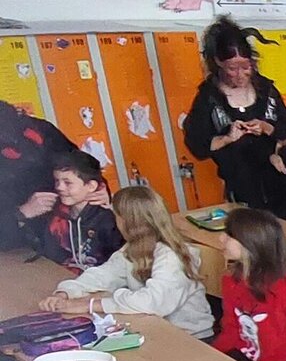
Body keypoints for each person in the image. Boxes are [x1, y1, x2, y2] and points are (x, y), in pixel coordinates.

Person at [39, 186, 213, 337]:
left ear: (127, 222)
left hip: (191, 338)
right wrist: (65, 293)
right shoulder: (131, 250)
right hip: (156, 331)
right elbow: (101, 276)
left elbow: (153, 302)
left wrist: (92, 304)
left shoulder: (171, 256)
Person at [183, 17, 286, 208]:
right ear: (218, 62)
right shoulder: (209, 98)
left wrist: (266, 127)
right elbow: (197, 145)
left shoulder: (265, 90)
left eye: (246, 66)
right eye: (233, 69)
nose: (241, 74)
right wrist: (227, 138)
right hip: (239, 186)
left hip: (278, 182)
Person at [211, 208, 286, 361]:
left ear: (251, 242)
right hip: (247, 357)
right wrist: (213, 356)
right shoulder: (230, 280)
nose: (221, 238)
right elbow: (230, 327)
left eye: (229, 235)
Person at [0, 101, 77, 252]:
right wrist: (22, 213)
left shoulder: (39, 129)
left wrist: (95, 188)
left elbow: (80, 165)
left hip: (70, 222)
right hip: (20, 245)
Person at [29, 151, 122, 272]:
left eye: (67, 182)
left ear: (91, 186)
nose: (59, 187)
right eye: (57, 181)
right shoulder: (54, 217)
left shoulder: (110, 220)